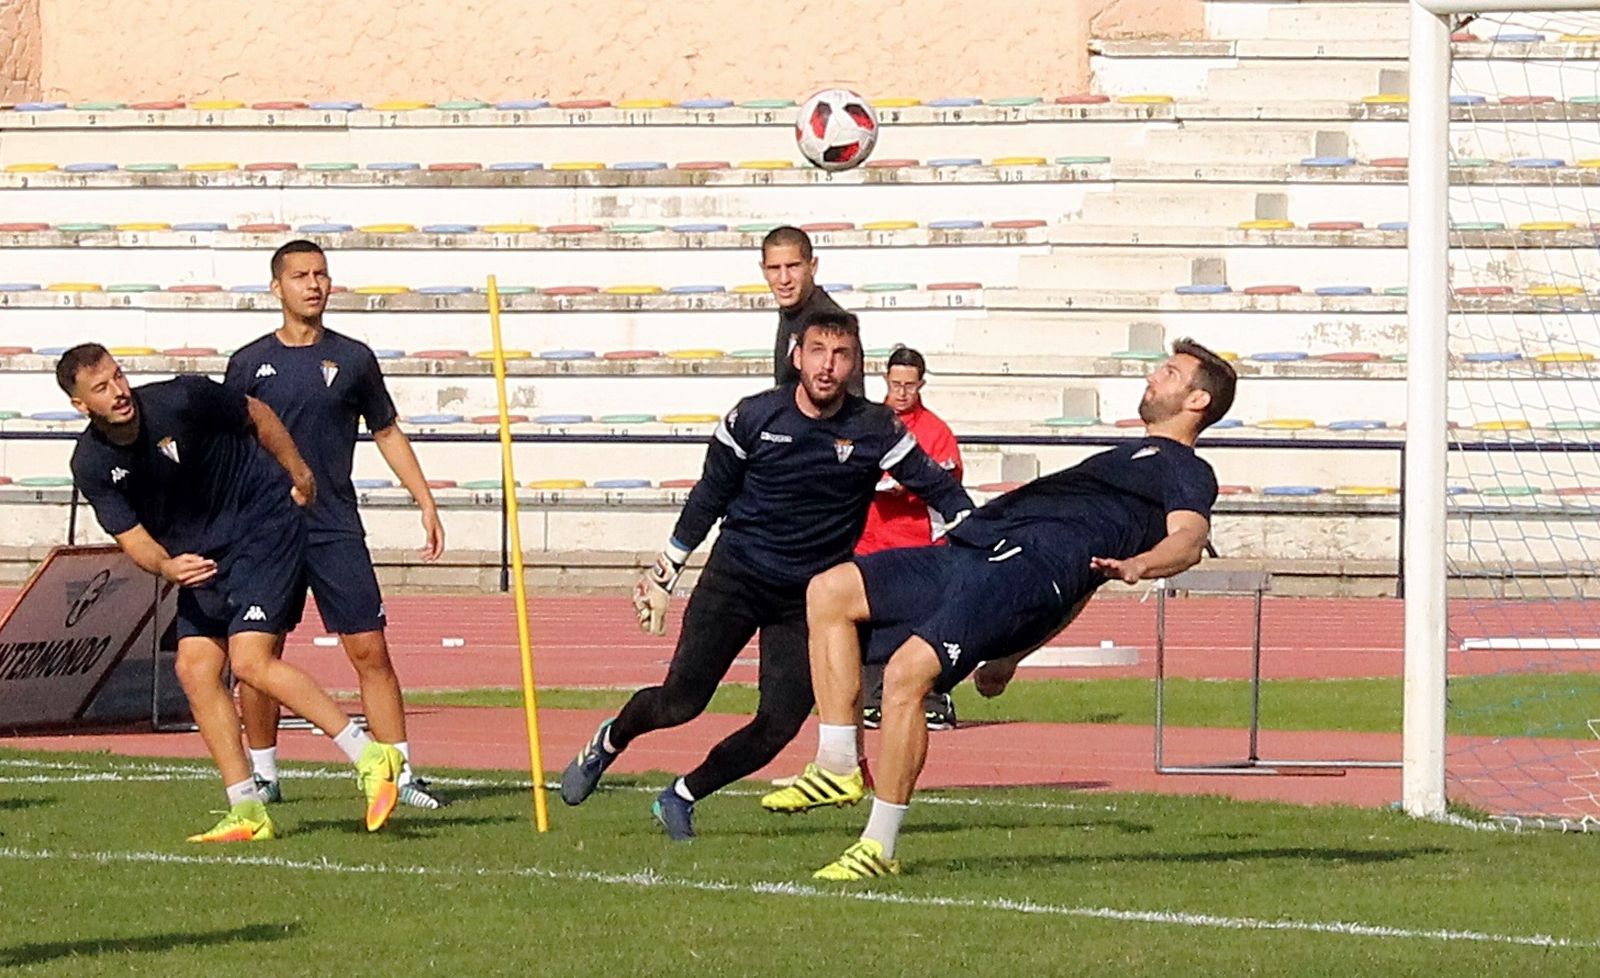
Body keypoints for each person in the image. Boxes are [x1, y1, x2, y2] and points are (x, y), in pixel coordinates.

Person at [762, 339, 1238, 879]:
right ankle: (840, 761)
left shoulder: (1188, 471)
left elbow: (1189, 539)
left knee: (905, 676)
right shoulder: (1124, 457)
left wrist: (1142, 565)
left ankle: (878, 848)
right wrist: (1013, 655)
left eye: (1170, 373)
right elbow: (1087, 581)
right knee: (829, 591)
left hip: (1020, 568)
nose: (1154, 377)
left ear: (1197, 400)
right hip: (972, 549)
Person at [559, 311, 973, 840]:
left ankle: (681, 795)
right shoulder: (753, 418)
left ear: (854, 364)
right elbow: (708, 497)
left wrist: (983, 541)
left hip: (807, 601)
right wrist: (665, 576)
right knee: (681, 702)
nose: (827, 365)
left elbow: (943, 493)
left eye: (841, 354)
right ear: (796, 355)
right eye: (817, 351)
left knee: (777, 726)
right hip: (736, 579)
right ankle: (609, 742)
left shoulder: (875, 429)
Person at [61, 344, 404, 842]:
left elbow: (257, 413)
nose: (119, 392)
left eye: (118, 377)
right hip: (201, 554)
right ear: (80, 406)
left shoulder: (180, 397)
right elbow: (131, 536)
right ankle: (248, 809)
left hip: (262, 522)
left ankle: (371, 755)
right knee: (195, 669)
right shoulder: (90, 463)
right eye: (102, 388)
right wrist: (166, 566)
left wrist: (299, 472)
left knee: (249, 662)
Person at [225, 240, 448, 810]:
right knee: (259, 656)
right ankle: (266, 773)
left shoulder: (354, 358)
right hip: (265, 530)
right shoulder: (248, 363)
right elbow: (225, 447)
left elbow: (387, 431)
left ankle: (400, 773)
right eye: (300, 275)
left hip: (334, 526)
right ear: (277, 288)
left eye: (321, 274)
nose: (314, 284)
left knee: (370, 649)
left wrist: (424, 498)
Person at [855, 346, 964, 732]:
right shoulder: (867, 422)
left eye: (909, 385)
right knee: (868, 623)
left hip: (917, 543)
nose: (901, 392)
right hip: (870, 540)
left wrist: (907, 486)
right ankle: (871, 697)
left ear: (921, 384)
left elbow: (947, 481)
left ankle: (933, 698)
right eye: (895, 384)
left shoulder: (936, 431)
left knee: (923, 625)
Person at [764, 225, 864, 397]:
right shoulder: (790, 311)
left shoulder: (831, 321)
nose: (784, 279)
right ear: (764, 270)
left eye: (793, 266)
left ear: (813, 266)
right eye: (774, 268)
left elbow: (851, 401)